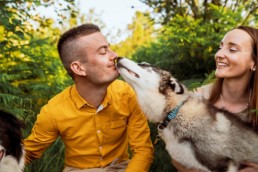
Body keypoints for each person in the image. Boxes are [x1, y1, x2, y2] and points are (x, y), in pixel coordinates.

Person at [24, 23, 154, 172]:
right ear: (79, 68)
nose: (115, 56)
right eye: (103, 52)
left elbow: (143, 150)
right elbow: (27, 153)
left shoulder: (127, 93)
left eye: (109, 48)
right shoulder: (53, 111)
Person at [172, 25, 258, 172]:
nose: (219, 54)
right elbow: (178, 157)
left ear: (254, 63)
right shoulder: (196, 101)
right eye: (221, 47)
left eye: (232, 49)